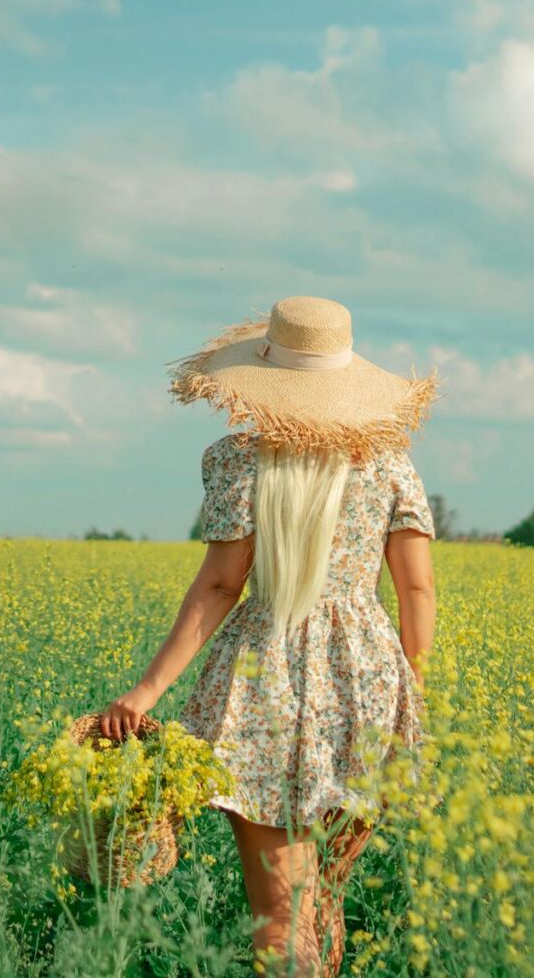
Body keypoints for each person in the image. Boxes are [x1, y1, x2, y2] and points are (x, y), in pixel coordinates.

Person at [101, 295, 440, 975]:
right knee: (323, 900)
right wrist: (412, 688)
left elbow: (221, 586)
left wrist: (145, 692)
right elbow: (417, 590)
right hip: (366, 680)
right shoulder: (391, 463)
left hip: (264, 681)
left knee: (282, 912)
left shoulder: (237, 461)